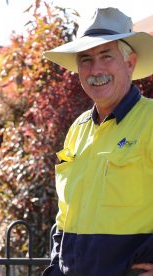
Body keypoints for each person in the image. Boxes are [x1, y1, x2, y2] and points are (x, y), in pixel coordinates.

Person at [42, 7, 153, 276]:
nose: (96, 69)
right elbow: (64, 216)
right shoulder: (77, 130)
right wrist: (56, 268)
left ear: (130, 63)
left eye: (106, 56)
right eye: (86, 60)